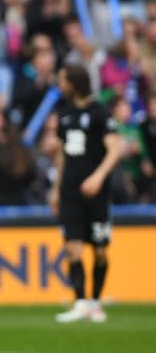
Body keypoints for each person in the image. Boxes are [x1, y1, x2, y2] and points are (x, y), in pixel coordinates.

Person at [50, 65, 122, 323]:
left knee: (100, 250)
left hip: (96, 193)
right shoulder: (65, 114)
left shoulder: (100, 113)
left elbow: (115, 149)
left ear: (74, 83)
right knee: (72, 248)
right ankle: (80, 301)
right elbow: (61, 155)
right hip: (70, 192)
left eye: (62, 81)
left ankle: (95, 302)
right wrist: (56, 189)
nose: (59, 86)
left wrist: (98, 177)